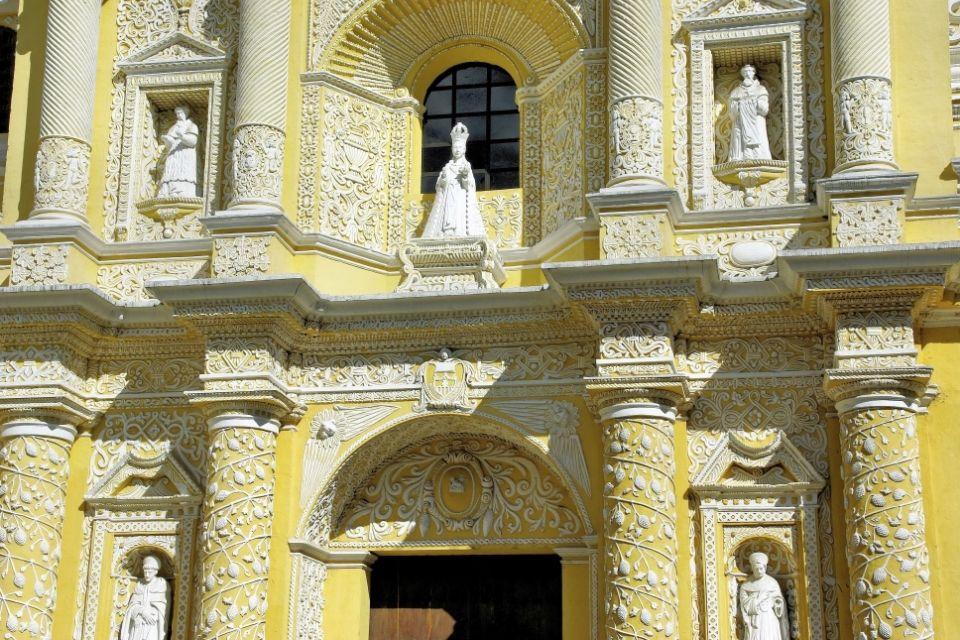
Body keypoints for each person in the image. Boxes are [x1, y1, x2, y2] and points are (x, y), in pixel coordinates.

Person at [421, 122, 486, 238]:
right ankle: (447, 229)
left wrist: (465, 176)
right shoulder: (447, 167)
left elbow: (470, 186)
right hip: (448, 197)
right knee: (448, 214)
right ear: (452, 149)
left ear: (464, 149)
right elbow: (440, 186)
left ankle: (460, 231)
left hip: (460, 197)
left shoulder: (466, 166)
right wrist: (444, 178)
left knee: (459, 215)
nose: (457, 150)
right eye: (455, 147)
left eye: (459, 147)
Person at [739, 552, 790, 640]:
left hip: (769, 618)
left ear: (765, 568)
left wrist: (777, 603)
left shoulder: (772, 583)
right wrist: (759, 599)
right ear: (752, 568)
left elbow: (779, 601)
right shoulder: (746, 585)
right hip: (755, 620)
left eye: (761, 568)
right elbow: (744, 606)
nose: (759, 571)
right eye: (756, 569)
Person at [120, 555, 170, 640]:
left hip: (153, 625)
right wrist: (142, 612)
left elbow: (163, 609)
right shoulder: (140, 585)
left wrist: (152, 614)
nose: (146, 575)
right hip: (138, 625)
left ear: (155, 572)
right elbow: (132, 606)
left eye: (149, 572)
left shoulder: (161, 584)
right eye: (145, 572)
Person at [728, 65, 772, 161]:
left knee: (759, 141)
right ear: (742, 74)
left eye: (750, 71)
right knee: (739, 139)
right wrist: (739, 105)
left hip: (756, 122)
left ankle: (760, 156)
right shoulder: (736, 91)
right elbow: (732, 113)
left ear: (754, 73)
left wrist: (754, 102)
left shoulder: (760, 89)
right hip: (741, 124)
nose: (748, 73)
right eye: (745, 72)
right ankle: (740, 157)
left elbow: (764, 109)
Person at [158, 105, 199, 197]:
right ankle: (167, 191)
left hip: (185, 154)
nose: (178, 115)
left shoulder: (191, 126)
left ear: (185, 113)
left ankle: (180, 191)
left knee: (182, 172)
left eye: (180, 113)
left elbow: (193, 141)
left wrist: (182, 136)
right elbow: (170, 144)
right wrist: (166, 140)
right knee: (170, 172)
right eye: (177, 113)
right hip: (173, 155)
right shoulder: (174, 127)